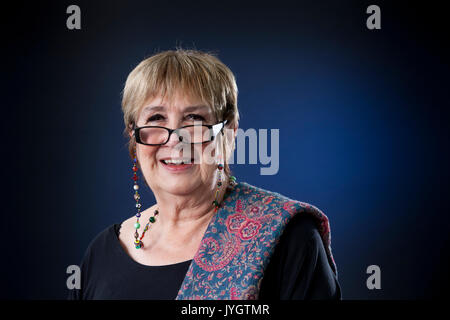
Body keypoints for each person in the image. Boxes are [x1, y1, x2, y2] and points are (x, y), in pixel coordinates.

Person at [68, 48, 341, 300]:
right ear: (134, 136)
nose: (175, 139)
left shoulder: (289, 239)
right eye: (155, 119)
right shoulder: (101, 253)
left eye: (195, 119)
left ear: (230, 133)